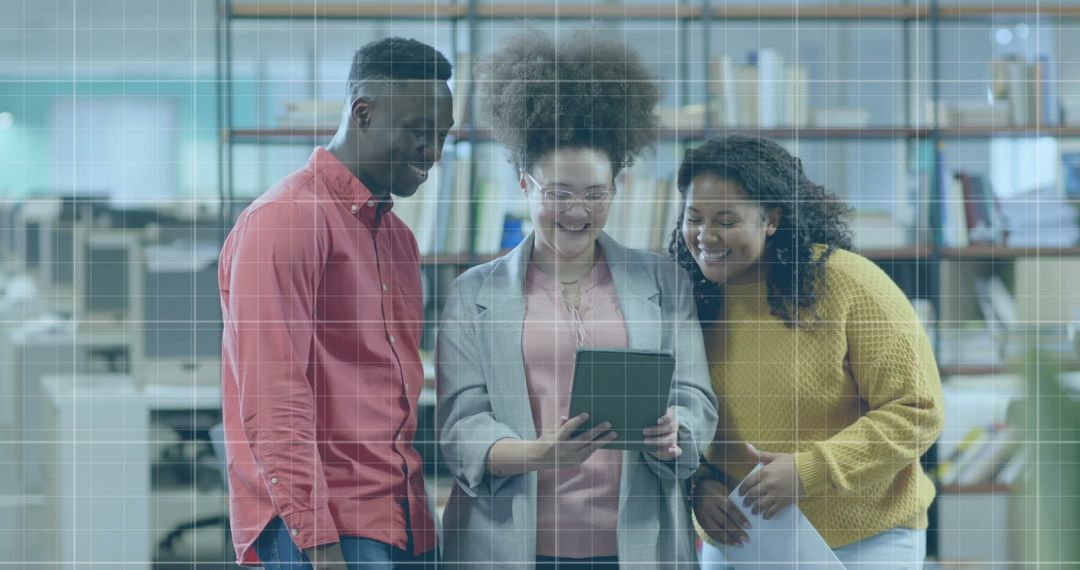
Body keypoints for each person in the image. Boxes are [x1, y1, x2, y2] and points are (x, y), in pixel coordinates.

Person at [435, 30, 719, 570]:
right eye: (558, 193)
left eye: (595, 194)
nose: (576, 212)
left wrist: (675, 431)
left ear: (618, 187)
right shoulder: (474, 292)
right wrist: (540, 454)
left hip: (635, 542)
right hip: (509, 544)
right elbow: (460, 425)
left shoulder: (664, 282)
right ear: (524, 183)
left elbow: (696, 398)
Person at [219, 37, 454, 569]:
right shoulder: (286, 220)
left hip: (404, 519)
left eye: (442, 136)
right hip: (327, 528)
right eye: (419, 132)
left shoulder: (398, 240)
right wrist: (318, 545)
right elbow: (276, 399)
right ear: (363, 113)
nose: (434, 153)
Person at [670, 136, 944, 569]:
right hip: (743, 538)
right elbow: (671, 416)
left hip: (866, 537)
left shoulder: (847, 283)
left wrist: (810, 470)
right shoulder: (686, 301)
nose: (705, 235)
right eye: (694, 217)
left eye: (726, 220)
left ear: (771, 220)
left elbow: (919, 409)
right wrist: (697, 487)